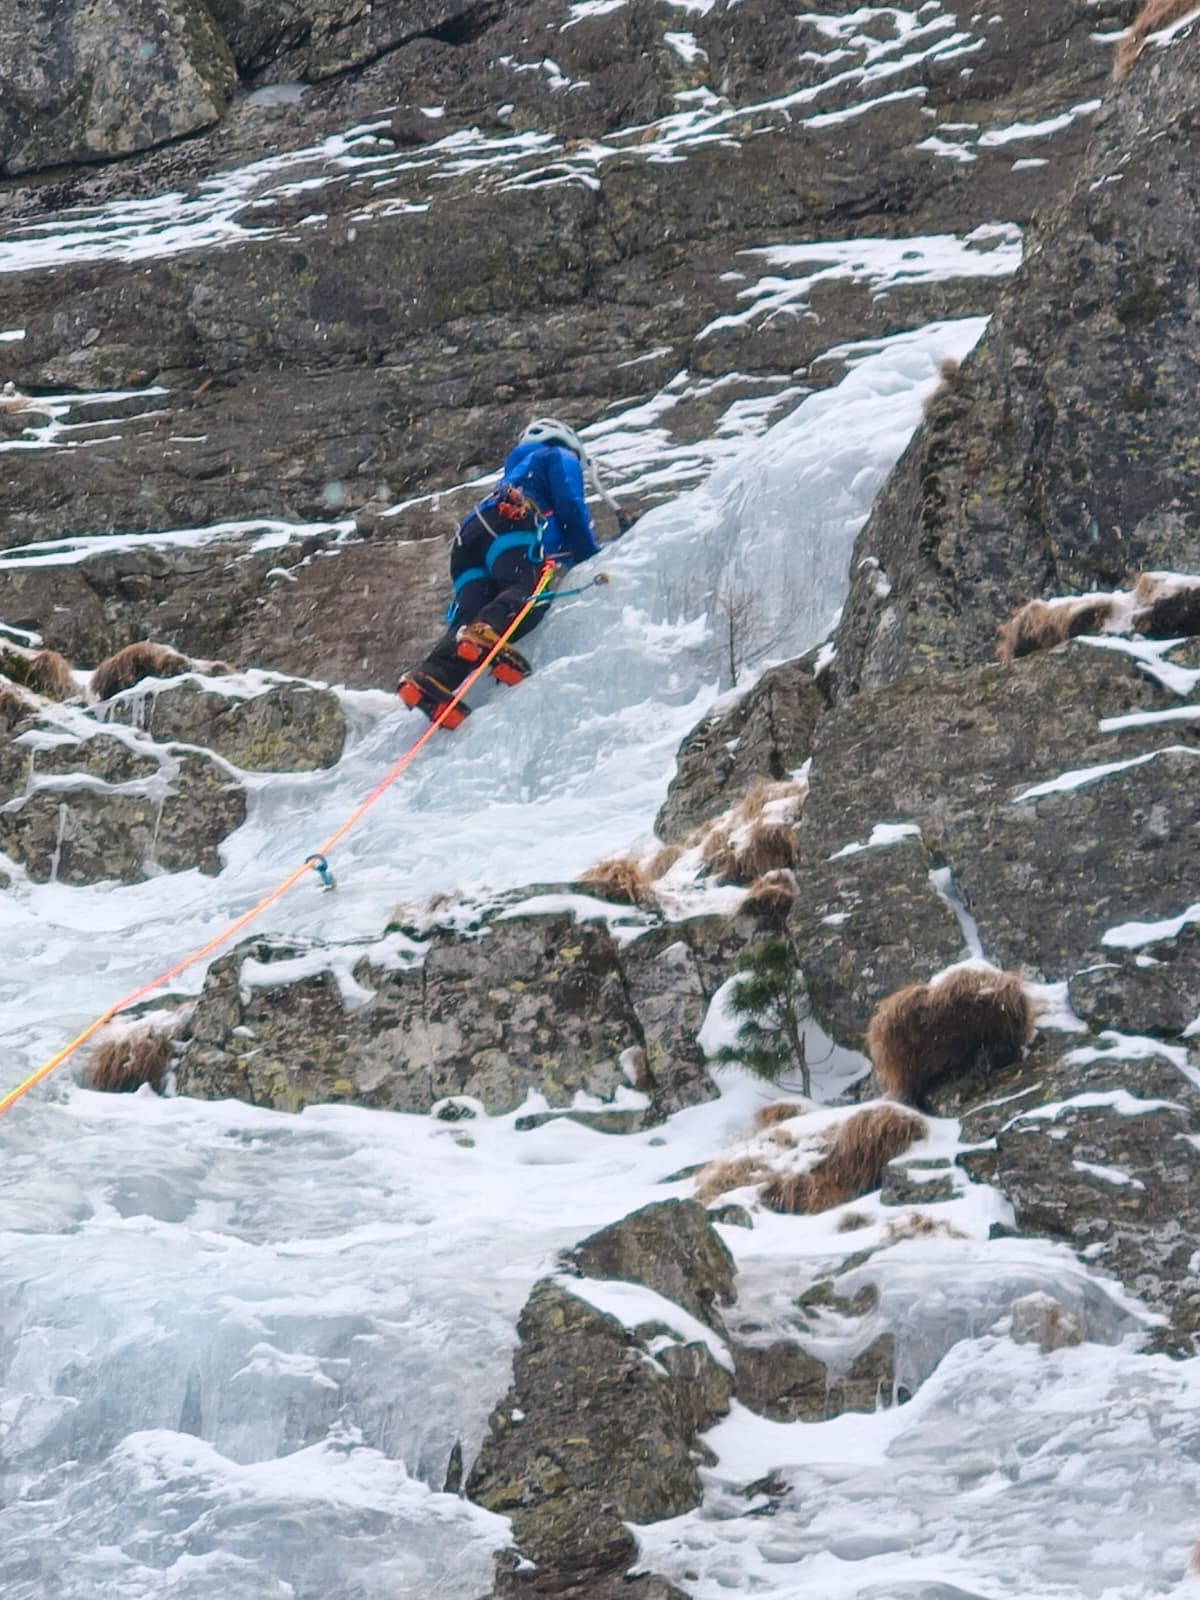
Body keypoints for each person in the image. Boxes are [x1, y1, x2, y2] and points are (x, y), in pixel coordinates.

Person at [397, 417, 631, 726]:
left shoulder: (515, 473)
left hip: (469, 541)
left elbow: (557, 541)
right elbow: (569, 505)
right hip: (511, 521)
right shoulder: (557, 455)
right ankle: (485, 633)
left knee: (469, 614)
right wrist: (591, 553)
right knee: (527, 592)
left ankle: (430, 677)